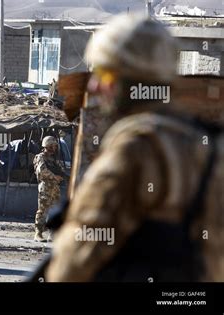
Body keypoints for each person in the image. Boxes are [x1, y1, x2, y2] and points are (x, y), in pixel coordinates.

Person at [45, 14, 224, 282]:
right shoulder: (209, 149)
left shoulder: (135, 147)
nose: (94, 85)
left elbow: (75, 262)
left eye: (103, 74)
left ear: (129, 80)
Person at [33, 136, 67, 242]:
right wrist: (54, 176)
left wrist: (62, 175)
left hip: (55, 187)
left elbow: (61, 170)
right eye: (51, 146)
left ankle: (52, 234)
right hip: (45, 186)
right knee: (42, 210)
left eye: (55, 146)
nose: (54, 148)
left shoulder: (54, 159)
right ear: (46, 146)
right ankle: (38, 234)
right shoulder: (40, 157)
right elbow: (42, 171)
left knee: (55, 211)